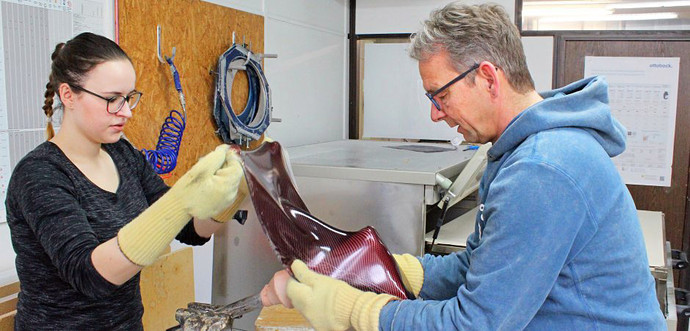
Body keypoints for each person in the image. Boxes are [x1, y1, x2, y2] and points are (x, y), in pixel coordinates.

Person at [262, 2, 666, 330]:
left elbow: (476, 324)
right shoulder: (516, 152)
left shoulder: (543, 168)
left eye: (440, 95)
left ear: (487, 78)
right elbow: (479, 267)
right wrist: (395, 269)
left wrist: (357, 311)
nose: (436, 115)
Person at [6, 32, 247, 330]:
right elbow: (91, 276)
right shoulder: (39, 174)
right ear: (68, 95)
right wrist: (180, 200)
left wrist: (233, 192)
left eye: (129, 97)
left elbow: (190, 229)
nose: (127, 112)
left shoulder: (123, 154)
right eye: (112, 100)